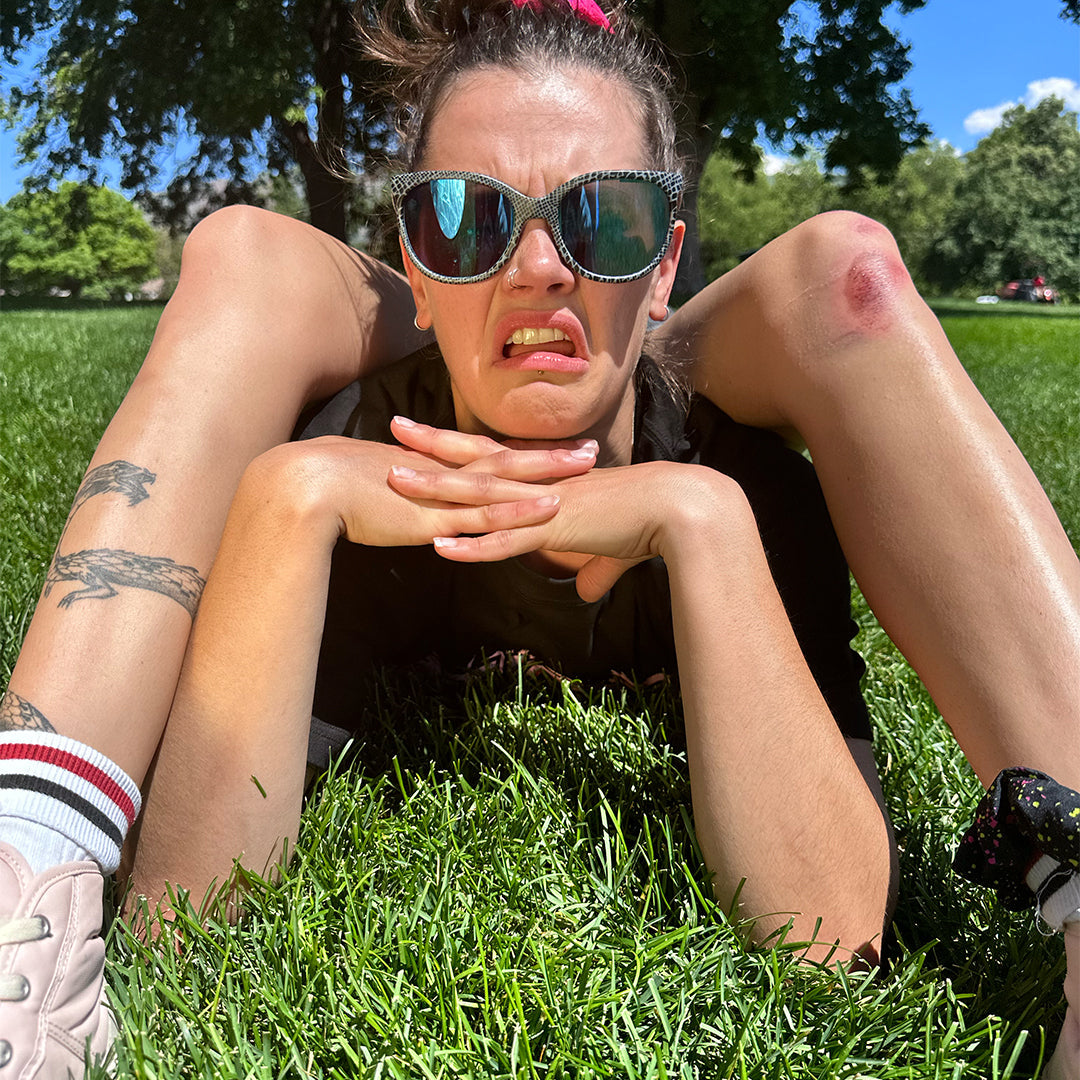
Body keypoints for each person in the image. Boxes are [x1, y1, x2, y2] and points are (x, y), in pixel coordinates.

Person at [1, 0, 1077, 1075]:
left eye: (605, 221)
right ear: (411, 270)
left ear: (665, 269)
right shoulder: (352, 455)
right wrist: (293, 497)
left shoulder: (739, 480)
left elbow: (833, 938)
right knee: (243, 248)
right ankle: (22, 879)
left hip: (684, 434)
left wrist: (697, 522)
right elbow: (184, 923)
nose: (539, 268)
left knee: (845, 268)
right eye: (465, 222)